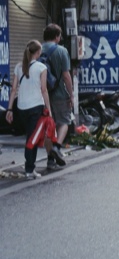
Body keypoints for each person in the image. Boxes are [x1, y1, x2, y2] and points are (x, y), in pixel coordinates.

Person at [5, 40, 53, 179]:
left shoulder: (19, 67)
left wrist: (9, 109)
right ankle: (29, 169)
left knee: (30, 136)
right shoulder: (41, 67)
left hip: (21, 107)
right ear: (38, 53)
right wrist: (48, 108)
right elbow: (44, 90)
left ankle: (30, 168)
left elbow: (14, 90)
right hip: (35, 106)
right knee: (32, 138)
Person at [42, 24, 72, 168]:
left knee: (48, 126)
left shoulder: (36, 50)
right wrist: (71, 95)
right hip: (59, 94)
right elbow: (66, 76)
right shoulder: (62, 51)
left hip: (42, 96)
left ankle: (50, 160)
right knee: (64, 122)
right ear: (56, 37)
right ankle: (57, 147)